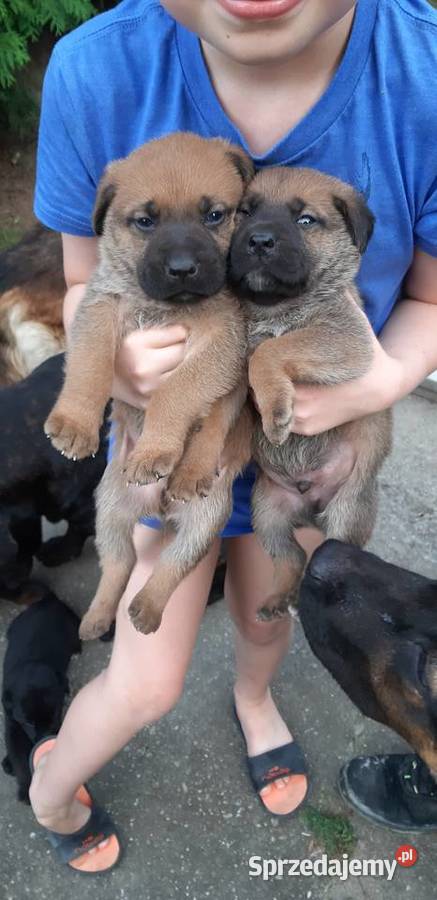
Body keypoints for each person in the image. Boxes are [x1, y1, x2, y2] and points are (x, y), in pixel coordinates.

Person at [29, 0, 437, 871]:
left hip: (300, 459)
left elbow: (429, 299)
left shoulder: (422, 71)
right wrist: (123, 375)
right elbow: (84, 285)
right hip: (176, 458)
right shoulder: (99, 72)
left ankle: (255, 701)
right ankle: (48, 788)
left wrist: (383, 380)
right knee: (143, 681)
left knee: (268, 615)